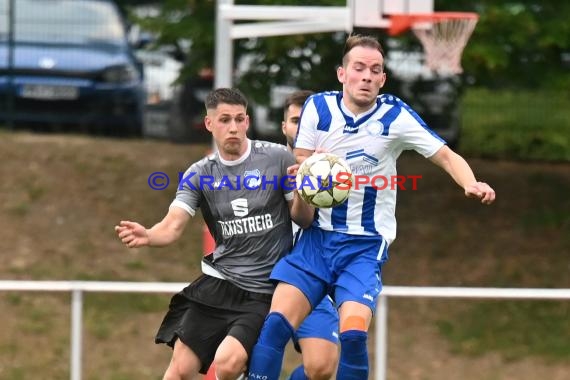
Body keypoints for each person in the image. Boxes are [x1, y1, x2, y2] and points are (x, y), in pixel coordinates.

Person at [248, 34, 496, 380]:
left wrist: (470, 182)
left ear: (382, 79)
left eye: (375, 70)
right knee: (275, 326)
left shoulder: (395, 116)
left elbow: (445, 155)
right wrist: (308, 170)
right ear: (342, 74)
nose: (366, 76)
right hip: (316, 241)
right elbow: (302, 160)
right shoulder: (318, 108)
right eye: (359, 67)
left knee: (352, 335)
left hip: (363, 247)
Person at [115, 87, 313, 380]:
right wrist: (149, 235)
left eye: (238, 119)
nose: (232, 127)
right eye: (224, 120)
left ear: (247, 121)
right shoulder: (199, 174)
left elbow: (302, 219)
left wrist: (307, 191)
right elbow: (171, 226)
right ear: (209, 124)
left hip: (263, 291)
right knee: (178, 371)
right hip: (219, 284)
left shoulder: (277, 158)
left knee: (228, 362)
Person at [281, 90, 340, 380]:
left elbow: (306, 221)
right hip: (260, 279)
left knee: (321, 367)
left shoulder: (332, 169)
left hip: (310, 275)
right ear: (284, 127)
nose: (302, 127)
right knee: (243, 361)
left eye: (308, 121)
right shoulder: (265, 162)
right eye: (296, 120)